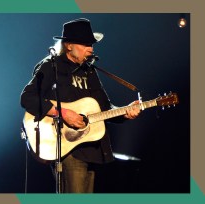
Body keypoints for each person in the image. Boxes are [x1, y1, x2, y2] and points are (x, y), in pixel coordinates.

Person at [20, 18, 141, 193]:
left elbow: (105, 108)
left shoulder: (90, 72)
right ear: (69, 45)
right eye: (85, 44)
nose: (91, 48)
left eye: (91, 44)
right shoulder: (51, 66)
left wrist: (125, 112)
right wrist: (62, 113)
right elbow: (27, 98)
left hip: (92, 147)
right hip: (67, 147)